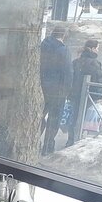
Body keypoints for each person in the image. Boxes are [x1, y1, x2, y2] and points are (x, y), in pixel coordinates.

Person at [39, 25, 72, 155]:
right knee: (54, 119)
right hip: (57, 91)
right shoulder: (63, 50)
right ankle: (47, 146)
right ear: (63, 35)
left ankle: (32, 140)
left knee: (39, 116)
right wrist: (67, 90)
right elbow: (67, 72)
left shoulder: (43, 46)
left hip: (41, 88)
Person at [67, 39, 102, 146]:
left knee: (74, 118)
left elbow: (70, 79)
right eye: (97, 48)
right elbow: (98, 81)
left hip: (75, 95)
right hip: (88, 96)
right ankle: (79, 140)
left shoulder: (76, 62)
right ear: (92, 49)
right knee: (86, 118)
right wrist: (99, 95)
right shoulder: (95, 63)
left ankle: (71, 140)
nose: (98, 51)